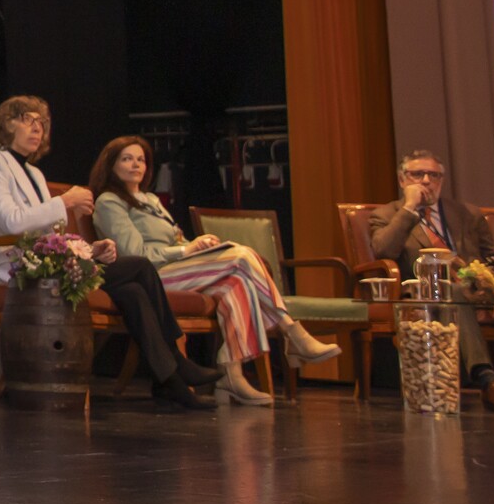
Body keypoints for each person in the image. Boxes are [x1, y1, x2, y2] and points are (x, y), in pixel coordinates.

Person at [0, 96, 223, 410]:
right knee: (140, 266)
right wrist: (66, 201)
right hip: (18, 267)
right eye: (26, 120)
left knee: (132, 292)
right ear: (6, 124)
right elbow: (12, 222)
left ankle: (169, 381)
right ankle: (175, 362)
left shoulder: (32, 173)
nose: (37, 129)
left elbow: (50, 236)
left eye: (41, 123)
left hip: (48, 262)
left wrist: (89, 250)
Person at [88, 136, 342, 406]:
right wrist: (185, 251)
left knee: (235, 284)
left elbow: (176, 238)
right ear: (111, 165)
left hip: (178, 268)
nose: (136, 164)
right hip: (151, 275)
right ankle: (291, 331)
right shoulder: (109, 201)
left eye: (140, 159)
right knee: (242, 257)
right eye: (127, 159)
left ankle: (232, 372)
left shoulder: (150, 199)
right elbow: (135, 256)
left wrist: (195, 246)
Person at [368, 148, 494, 413]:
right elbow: (384, 252)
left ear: (442, 180)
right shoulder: (385, 215)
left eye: (434, 175)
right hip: (430, 293)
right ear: (403, 180)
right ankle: (487, 379)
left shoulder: (467, 213)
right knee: (454, 293)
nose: (426, 181)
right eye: (418, 174)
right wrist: (409, 208)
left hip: (479, 289)